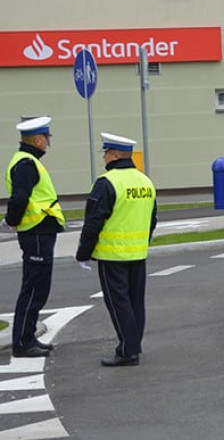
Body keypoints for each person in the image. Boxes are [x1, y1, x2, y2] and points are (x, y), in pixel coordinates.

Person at [75, 133, 158, 367]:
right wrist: (143, 243)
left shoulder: (106, 183)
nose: (104, 158)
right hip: (137, 254)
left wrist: (83, 254)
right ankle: (133, 345)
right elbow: (152, 219)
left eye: (105, 154)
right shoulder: (145, 181)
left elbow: (93, 222)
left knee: (118, 303)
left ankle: (128, 351)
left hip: (112, 255)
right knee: (135, 302)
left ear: (113, 155)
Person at [4, 116, 65, 357]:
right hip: (37, 231)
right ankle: (22, 342)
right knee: (33, 288)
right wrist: (11, 221)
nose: (48, 142)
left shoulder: (28, 161)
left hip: (40, 231)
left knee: (38, 288)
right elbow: (19, 197)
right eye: (46, 138)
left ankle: (28, 337)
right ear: (38, 139)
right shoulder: (26, 163)